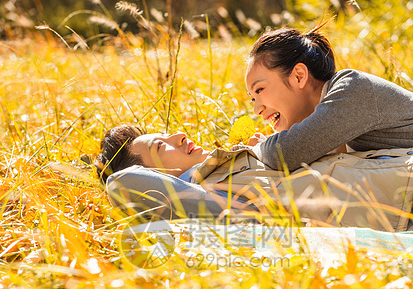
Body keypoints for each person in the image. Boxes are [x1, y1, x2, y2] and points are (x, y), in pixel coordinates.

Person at [96, 124, 413, 231]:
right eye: (160, 145)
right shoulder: (204, 195)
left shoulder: (228, 165)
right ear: (155, 174)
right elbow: (122, 184)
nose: (179, 135)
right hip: (399, 203)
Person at [246, 25, 413, 172]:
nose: (257, 110)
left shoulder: (353, 88)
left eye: (259, 90)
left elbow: (285, 154)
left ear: (298, 76)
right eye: (253, 98)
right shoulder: (327, 123)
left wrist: (260, 147)